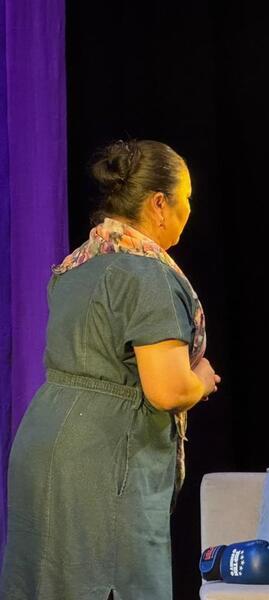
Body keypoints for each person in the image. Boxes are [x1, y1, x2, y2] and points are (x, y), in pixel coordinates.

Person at [0, 140, 221, 600]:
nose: (189, 210)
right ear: (158, 204)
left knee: (49, 583)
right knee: (113, 581)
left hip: (44, 444)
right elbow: (166, 390)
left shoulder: (78, 265)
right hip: (100, 456)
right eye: (186, 198)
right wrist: (200, 380)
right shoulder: (148, 275)